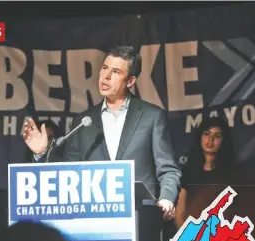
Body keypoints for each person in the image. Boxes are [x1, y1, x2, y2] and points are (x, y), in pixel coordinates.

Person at [23, 45, 182, 220]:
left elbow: (168, 170)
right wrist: (42, 153)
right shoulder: (84, 122)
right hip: (95, 217)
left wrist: (166, 199)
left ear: (130, 81)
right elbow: (68, 173)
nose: (106, 76)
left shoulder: (152, 117)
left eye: (115, 72)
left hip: (140, 216)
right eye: (104, 68)